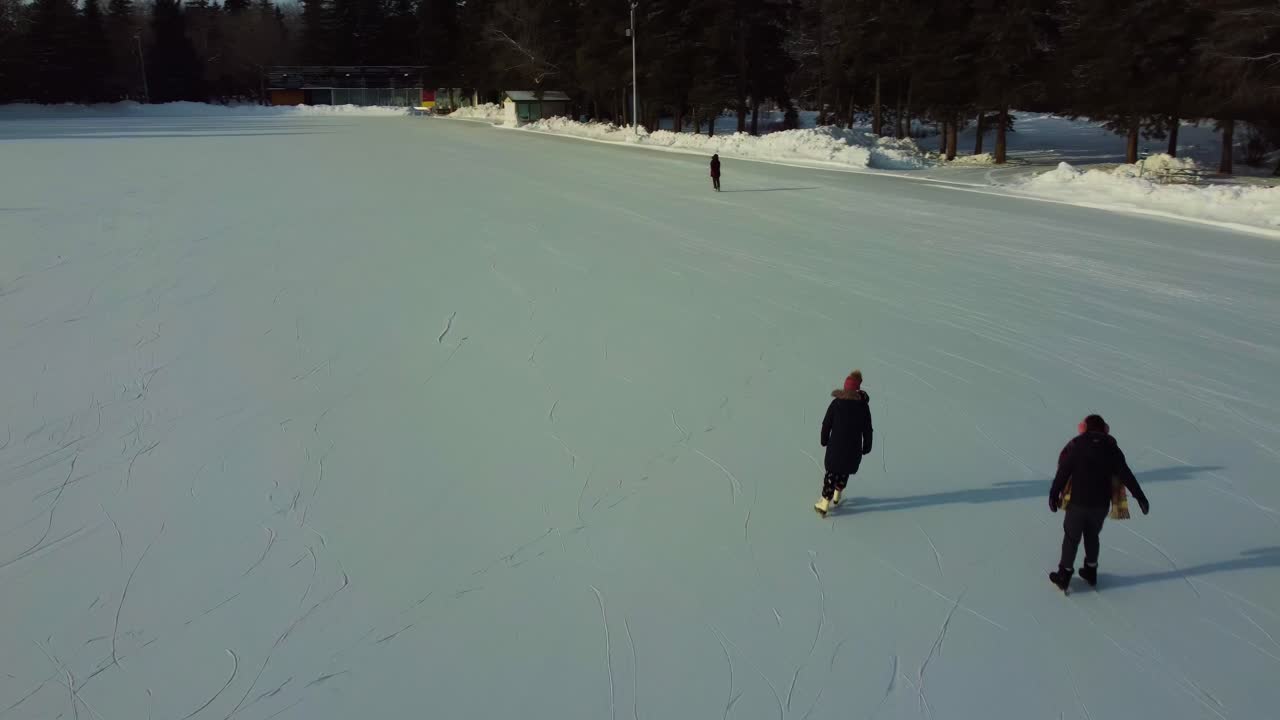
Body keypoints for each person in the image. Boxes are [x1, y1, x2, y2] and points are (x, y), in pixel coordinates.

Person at [1048, 414, 1150, 590]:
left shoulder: (1078, 445)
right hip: (1101, 505)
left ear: (1085, 428)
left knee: (1072, 538)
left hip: (1078, 503)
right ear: (1104, 429)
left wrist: (1054, 493)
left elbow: (1064, 470)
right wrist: (1140, 496)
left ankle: (1064, 574)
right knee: (1092, 535)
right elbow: (1125, 473)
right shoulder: (1112, 448)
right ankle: (1090, 570)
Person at [816, 370, 873, 515]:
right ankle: (837, 494)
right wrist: (867, 445)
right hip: (853, 451)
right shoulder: (863, 407)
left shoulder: (836, 403)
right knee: (844, 472)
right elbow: (867, 429)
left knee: (831, 474)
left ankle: (824, 503)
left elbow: (826, 423)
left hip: (836, 447)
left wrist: (824, 439)